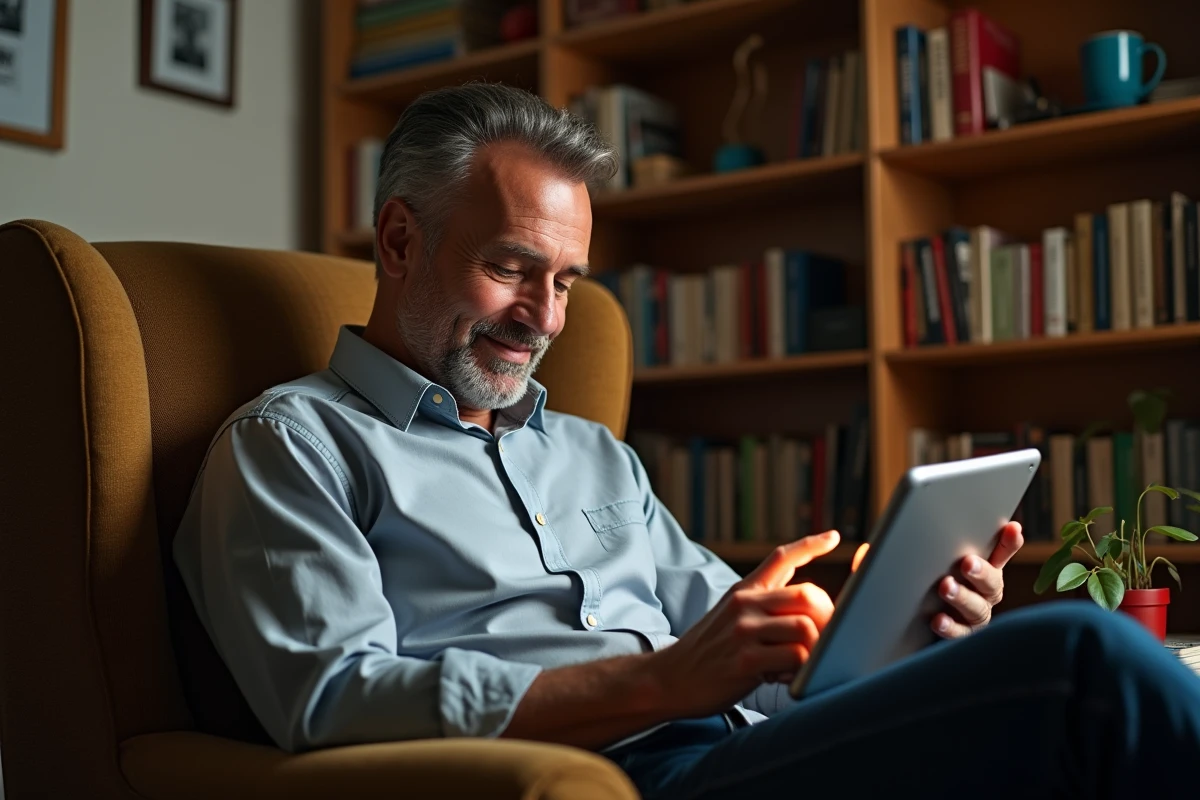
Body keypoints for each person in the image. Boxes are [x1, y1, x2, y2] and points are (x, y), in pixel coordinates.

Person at [173, 83, 1200, 798]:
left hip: (754, 745)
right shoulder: (294, 445)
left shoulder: (595, 454)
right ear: (400, 240)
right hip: (627, 777)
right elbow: (332, 695)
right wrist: (659, 683)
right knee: (1085, 657)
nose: (546, 317)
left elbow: (749, 654)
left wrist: (898, 637)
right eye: (512, 267)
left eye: (566, 280)